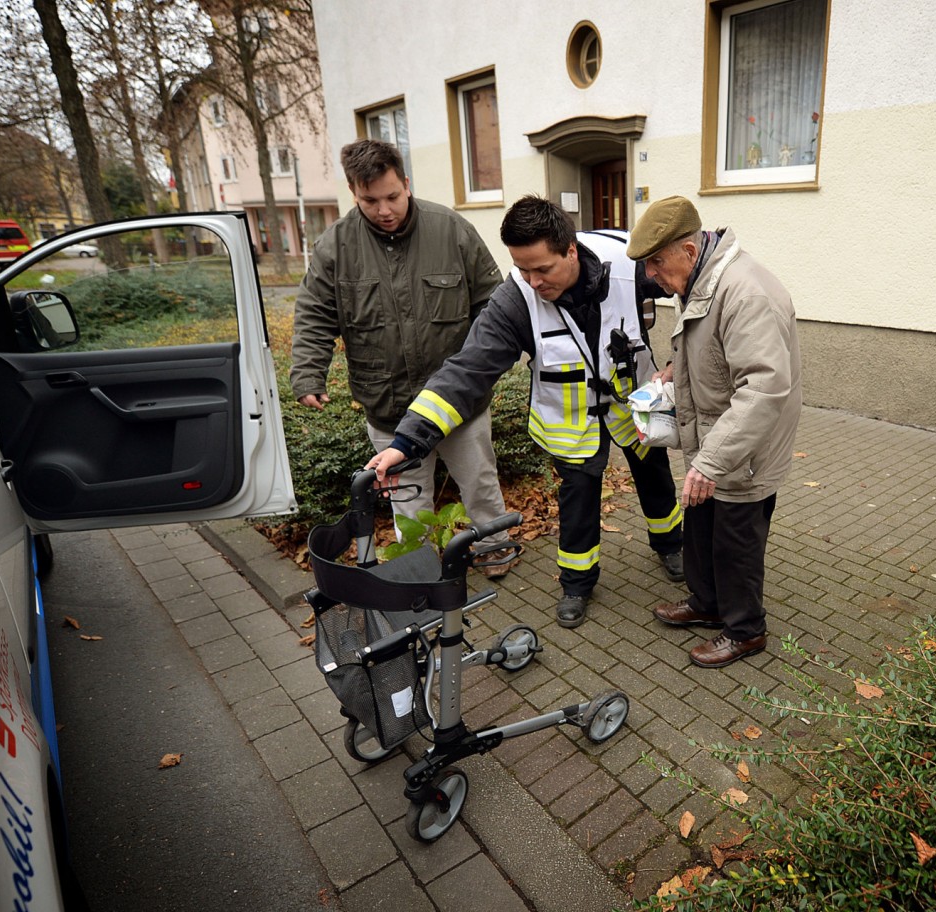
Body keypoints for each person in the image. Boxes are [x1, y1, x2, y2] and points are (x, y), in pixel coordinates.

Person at [367, 195, 685, 628]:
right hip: (572, 424)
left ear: (570, 250)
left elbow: (691, 281)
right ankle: (576, 582)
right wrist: (407, 442)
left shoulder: (628, 259)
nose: (533, 281)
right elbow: (467, 371)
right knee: (578, 501)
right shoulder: (514, 301)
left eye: (542, 269)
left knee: (655, 478)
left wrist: (680, 359)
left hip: (633, 407)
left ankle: (671, 545)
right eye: (522, 269)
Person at [290, 139, 515, 572]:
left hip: (458, 405)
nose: (384, 209)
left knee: (480, 485)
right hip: (388, 405)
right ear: (354, 194)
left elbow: (494, 306)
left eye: (392, 196)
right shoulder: (335, 247)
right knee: (406, 500)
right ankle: (419, 567)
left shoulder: (452, 230)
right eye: (369, 200)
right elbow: (314, 314)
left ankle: (495, 548)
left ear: (406, 183)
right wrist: (307, 375)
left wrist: (485, 369)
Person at [626, 196, 802, 668]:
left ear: (687, 249)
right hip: (715, 437)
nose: (652, 276)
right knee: (701, 526)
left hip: (744, 448)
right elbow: (712, 350)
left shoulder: (744, 292)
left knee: (735, 541)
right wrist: (671, 371)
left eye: (657, 263)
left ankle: (746, 630)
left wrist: (711, 459)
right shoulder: (703, 277)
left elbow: (764, 386)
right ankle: (706, 602)